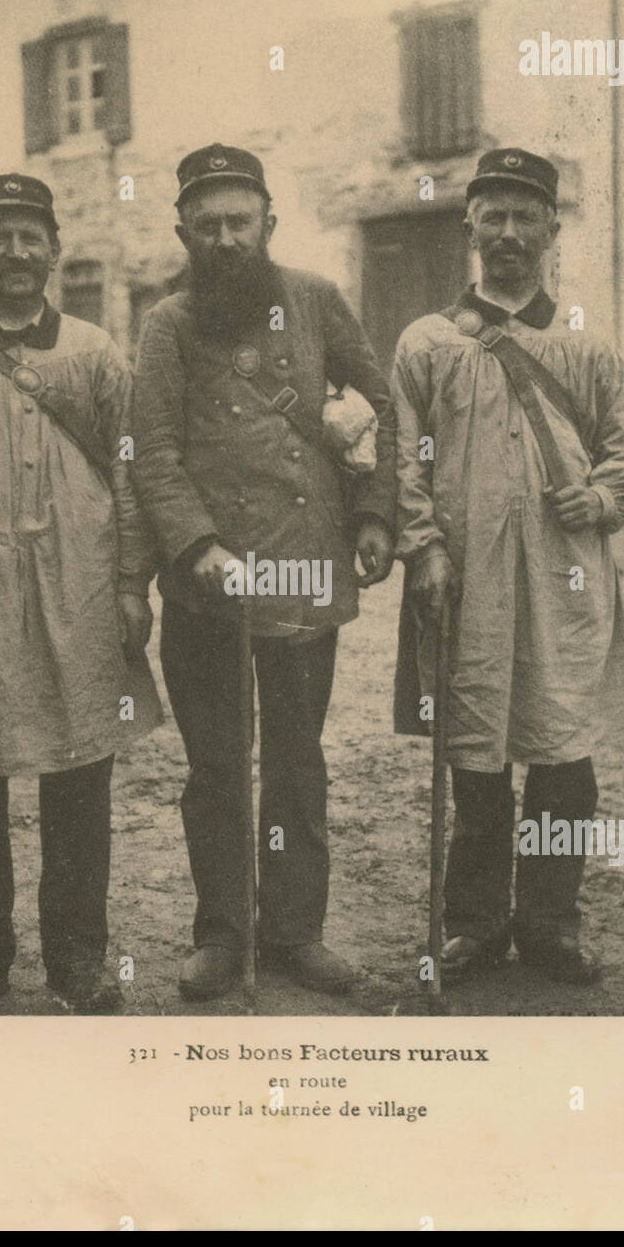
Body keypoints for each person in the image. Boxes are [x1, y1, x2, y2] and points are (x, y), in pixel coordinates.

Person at [131, 144, 397, 999]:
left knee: (295, 761)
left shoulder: (316, 302)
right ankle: (222, 935)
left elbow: (381, 410)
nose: (224, 240)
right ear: (183, 233)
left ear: (268, 224)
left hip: (303, 574)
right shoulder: (167, 325)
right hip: (207, 588)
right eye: (205, 226)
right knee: (214, 767)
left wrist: (373, 515)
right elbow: (154, 452)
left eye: (238, 221)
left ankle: (294, 933)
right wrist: (197, 546)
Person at [392, 148, 624, 984]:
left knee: (561, 754)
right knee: (474, 758)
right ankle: (473, 925)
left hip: (562, 581)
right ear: (468, 225)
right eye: (492, 215)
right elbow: (405, 464)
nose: (507, 232)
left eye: (524, 216)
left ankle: (549, 923)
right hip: (465, 584)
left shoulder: (585, 343)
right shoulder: (428, 343)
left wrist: (605, 500)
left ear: (550, 228)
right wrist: (426, 547)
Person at [0, 173, 161, 1015]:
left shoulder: (93, 353)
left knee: (79, 777)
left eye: (31, 238)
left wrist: (130, 582)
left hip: (76, 596)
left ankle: (77, 962)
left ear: (54, 252)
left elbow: (129, 475)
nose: (16, 253)